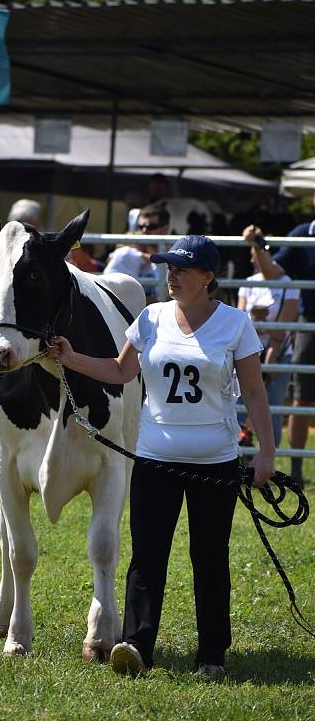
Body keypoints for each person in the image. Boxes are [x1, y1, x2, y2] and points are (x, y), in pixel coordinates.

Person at [47, 235, 275, 680]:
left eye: (182, 270)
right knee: (147, 555)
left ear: (208, 278)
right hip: (155, 459)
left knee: (210, 557)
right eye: (169, 268)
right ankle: (136, 645)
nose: (171, 276)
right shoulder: (150, 318)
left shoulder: (235, 324)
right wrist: (72, 359)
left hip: (216, 463)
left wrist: (266, 452)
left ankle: (212, 655)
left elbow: (253, 391)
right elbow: (119, 370)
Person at [243, 206, 315, 486]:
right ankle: (295, 468)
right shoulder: (303, 234)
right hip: (310, 321)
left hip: (302, 325)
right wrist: (258, 245)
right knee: (302, 396)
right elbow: (274, 271)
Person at [238, 225, 299, 447]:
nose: (255, 257)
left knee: (272, 407)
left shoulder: (288, 284)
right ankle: (238, 455)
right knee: (238, 405)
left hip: (279, 353)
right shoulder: (247, 283)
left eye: (259, 251)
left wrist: (271, 344)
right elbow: (242, 322)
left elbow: (282, 328)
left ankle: (268, 457)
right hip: (248, 352)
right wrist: (265, 327)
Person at [104, 205, 170, 303]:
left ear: (165, 229)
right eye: (140, 227)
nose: (144, 231)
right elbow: (111, 294)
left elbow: (170, 298)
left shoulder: (173, 256)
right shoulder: (126, 253)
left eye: (150, 227)